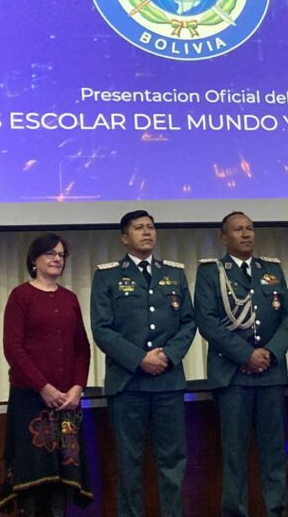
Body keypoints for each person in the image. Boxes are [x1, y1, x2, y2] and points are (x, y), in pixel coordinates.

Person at [89, 210, 196, 517]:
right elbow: (102, 329)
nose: (147, 232)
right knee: (129, 461)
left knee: (173, 460)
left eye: (151, 227)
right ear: (125, 238)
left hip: (168, 382)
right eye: (139, 228)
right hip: (127, 384)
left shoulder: (174, 273)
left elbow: (188, 323)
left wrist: (168, 356)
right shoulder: (107, 275)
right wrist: (140, 360)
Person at [193, 211, 288, 517]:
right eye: (238, 229)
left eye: (250, 228)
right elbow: (207, 321)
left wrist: (270, 353)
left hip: (271, 374)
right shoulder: (211, 272)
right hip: (232, 376)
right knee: (234, 454)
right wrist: (246, 355)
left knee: (274, 450)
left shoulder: (272, 269)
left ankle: (277, 510)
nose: (246, 234)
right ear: (224, 238)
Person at [0, 233, 92, 516]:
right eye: (50, 253)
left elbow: (82, 348)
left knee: (63, 477)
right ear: (34, 260)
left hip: (67, 403)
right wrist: (43, 387)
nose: (57, 259)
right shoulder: (21, 296)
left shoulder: (69, 298)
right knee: (33, 476)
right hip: (31, 400)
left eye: (61, 255)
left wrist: (77, 388)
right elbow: (13, 348)